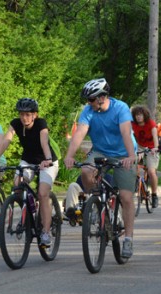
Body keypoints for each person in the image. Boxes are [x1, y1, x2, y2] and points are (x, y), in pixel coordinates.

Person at [63, 78, 137, 258]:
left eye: (91, 99)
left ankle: (128, 239)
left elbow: (126, 133)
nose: (88, 103)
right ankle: (95, 205)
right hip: (100, 150)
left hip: (123, 153)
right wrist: (69, 155)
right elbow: (80, 133)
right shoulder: (88, 111)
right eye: (88, 100)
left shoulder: (120, 108)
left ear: (102, 97)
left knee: (126, 197)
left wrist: (131, 156)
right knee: (86, 171)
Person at [0, 98, 59, 247]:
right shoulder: (15, 124)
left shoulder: (41, 123)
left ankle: (46, 232)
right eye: (22, 114)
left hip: (47, 161)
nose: (24, 118)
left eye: (28, 115)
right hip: (28, 161)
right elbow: (6, 141)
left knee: (43, 193)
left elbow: (44, 141)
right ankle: (28, 213)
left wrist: (47, 159)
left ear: (35, 115)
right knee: (17, 185)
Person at [131, 105, 159, 208]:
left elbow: (155, 137)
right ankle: (137, 184)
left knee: (151, 171)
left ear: (144, 115)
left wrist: (155, 148)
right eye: (136, 115)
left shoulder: (150, 123)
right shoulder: (133, 124)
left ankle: (154, 195)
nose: (138, 117)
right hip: (139, 147)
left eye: (140, 115)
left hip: (151, 148)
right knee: (133, 165)